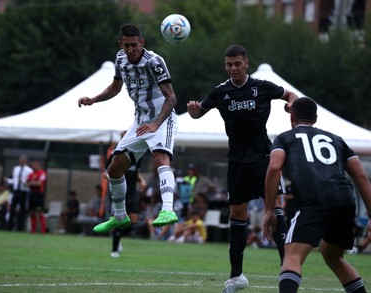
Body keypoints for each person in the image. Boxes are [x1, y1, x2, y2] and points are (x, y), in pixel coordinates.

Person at [187, 44, 298, 293]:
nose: (233, 68)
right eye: (229, 64)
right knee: (237, 215)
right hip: (236, 160)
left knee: (276, 209)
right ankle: (237, 277)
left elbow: (290, 95)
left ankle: (288, 271)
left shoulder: (262, 86)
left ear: (246, 63)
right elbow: (198, 113)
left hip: (263, 157)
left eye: (237, 63)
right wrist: (194, 112)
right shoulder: (220, 92)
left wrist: (291, 105)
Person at [263, 97, 371, 293]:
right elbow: (360, 175)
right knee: (333, 256)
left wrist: (269, 209)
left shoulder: (284, 138)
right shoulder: (336, 139)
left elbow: (274, 168)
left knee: (292, 257)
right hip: (344, 201)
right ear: (316, 118)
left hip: (313, 199)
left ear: (292, 117)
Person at [78, 23, 179, 234]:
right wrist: (94, 99)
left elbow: (171, 97)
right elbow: (115, 88)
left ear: (142, 43)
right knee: (114, 168)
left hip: (162, 119)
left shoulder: (155, 62)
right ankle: (120, 217)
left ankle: (168, 210)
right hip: (140, 122)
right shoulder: (120, 59)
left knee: (160, 158)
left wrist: (156, 123)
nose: (131, 49)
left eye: (134, 45)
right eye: (127, 45)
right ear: (120, 44)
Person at [107, 131, 147, 257]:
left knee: (133, 223)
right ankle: (114, 249)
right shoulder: (116, 154)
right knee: (119, 220)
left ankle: (118, 239)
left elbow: (135, 173)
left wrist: (141, 180)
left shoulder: (136, 154)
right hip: (119, 193)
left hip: (132, 192)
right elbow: (107, 171)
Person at [6, 154, 33, 231]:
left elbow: (29, 182)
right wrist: (8, 180)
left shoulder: (29, 170)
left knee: (22, 210)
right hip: (16, 190)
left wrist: (23, 182)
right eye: (20, 161)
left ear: (25, 161)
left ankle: (20, 227)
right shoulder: (16, 169)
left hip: (24, 191)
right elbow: (14, 180)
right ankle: (9, 226)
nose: (21, 162)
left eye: (22, 161)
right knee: (12, 208)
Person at [27, 160, 47, 234]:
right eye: (33, 165)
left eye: (35, 165)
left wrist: (33, 183)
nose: (34, 166)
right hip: (32, 194)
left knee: (40, 211)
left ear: (39, 165)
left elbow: (39, 183)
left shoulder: (42, 173)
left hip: (39, 195)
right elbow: (27, 184)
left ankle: (43, 229)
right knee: (32, 212)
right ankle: (33, 229)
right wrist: (33, 183)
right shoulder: (31, 174)